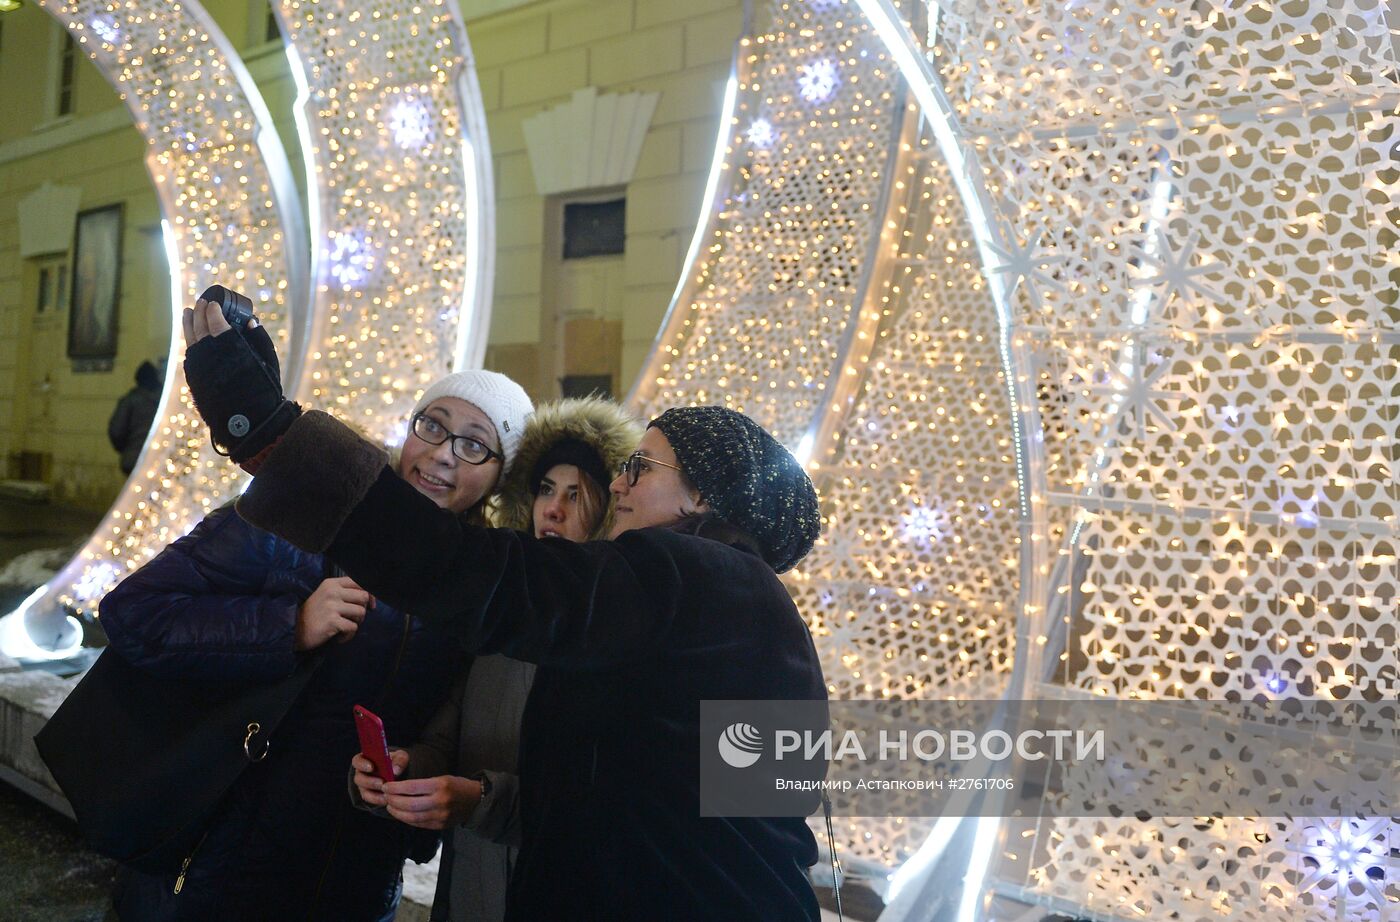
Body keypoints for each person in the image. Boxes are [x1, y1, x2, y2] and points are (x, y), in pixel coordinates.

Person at [183, 296, 828, 920]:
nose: (621, 483)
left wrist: (268, 431)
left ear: (702, 498)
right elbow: (761, 817)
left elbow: (466, 574)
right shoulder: (763, 617)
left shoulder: (690, 574)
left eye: (641, 466)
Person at [98, 366, 534, 921]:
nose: (445, 453)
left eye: (475, 444)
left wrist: (414, 769)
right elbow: (134, 612)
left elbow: (447, 729)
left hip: (358, 881)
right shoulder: (306, 511)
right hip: (218, 865)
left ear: (501, 476)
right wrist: (289, 626)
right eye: (433, 425)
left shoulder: (479, 588)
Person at [352, 397, 642, 922]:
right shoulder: (504, 619)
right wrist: (407, 769)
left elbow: (618, 805)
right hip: (470, 892)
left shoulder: (621, 634)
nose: (552, 509)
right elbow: (448, 735)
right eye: (546, 490)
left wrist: (483, 801)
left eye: (577, 495)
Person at [107, 360, 163, 475]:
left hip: (133, 459)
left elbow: (117, 431)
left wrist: (126, 449)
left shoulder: (130, 401)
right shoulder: (165, 402)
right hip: (159, 460)